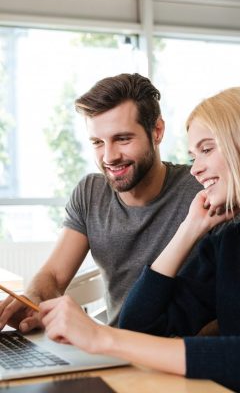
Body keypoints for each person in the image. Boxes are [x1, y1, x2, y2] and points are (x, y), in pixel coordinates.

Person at [39, 86, 240, 392]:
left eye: (207, 149)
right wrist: (188, 229)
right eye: (193, 155)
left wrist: (102, 338)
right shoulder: (228, 243)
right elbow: (140, 326)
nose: (196, 170)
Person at [0, 73, 201, 330]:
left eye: (123, 139)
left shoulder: (201, 190)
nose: (109, 156)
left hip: (181, 355)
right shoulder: (90, 193)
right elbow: (53, 276)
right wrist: (32, 299)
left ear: (157, 131)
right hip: (113, 350)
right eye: (97, 142)